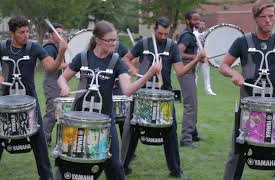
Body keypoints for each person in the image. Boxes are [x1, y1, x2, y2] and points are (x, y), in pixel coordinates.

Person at [57, 20, 162, 180]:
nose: (114, 43)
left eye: (115, 40)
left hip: (105, 120)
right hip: (79, 119)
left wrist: (148, 74)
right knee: (70, 162)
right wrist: (64, 86)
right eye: (110, 40)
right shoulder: (82, 58)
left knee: (114, 165)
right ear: (98, 40)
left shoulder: (116, 61)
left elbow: (127, 91)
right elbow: (62, 78)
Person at [0, 16, 67, 180]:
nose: (26, 35)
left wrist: (61, 52)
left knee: (39, 140)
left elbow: (50, 68)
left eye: (27, 31)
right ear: (12, 33)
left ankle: (46, 177)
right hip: (5, 101)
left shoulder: (34, 48)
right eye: (22, 32)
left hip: (29, 101)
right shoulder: (2, 48)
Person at [122, 16, 206, 178]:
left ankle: (175, 170)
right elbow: (126, 58)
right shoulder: (144, 44)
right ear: (154, 30)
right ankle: (123, 167)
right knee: (133, 130)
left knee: (170, 132)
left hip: (164, 96)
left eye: (166, 34)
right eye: (160, 33)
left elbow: (180, 71)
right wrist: (131, 68)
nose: (163, 37)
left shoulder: (171, 46)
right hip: (141, 95)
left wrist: (196, 59)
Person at [219, 1, 275, 179]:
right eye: (264, 17)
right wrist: (234, 74)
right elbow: (223, 66)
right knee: (237, 152)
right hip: (249, 108)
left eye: (271, 16)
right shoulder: (243, 41)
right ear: (255, 18)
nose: (268, 20)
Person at [177, 11, 206, 148]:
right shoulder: (187, 36)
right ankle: (186, 139)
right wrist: (196, 58)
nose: (198, 22)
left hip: (190, 72)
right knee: (190, 106)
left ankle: (193, 134)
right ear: (187, 21)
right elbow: (179, 53)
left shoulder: (193, 35)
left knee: (194, 104)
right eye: (195, 20)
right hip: (185, 73)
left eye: (199, 20)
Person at [42, 23, 68, 147]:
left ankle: (61, 140)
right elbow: (51, 67)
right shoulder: (49, 48)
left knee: (62, 112)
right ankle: (43, 140)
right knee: (52, 113)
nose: (61, 35)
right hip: (51, 83)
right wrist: (70, 65)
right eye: (58, 33)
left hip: (58, 82)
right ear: (51, 34)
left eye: (62, 33)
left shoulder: (57, 47)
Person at [195, 19, 216, 96]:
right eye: (201, 24)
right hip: (196, 56)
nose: (202, 26)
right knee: (195, 74)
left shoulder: (207, 34)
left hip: (205, 57)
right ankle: (194, 89)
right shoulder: (194, 34)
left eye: (203, 24)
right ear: (198, 25)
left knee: (206, 74)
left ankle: (208, 90)